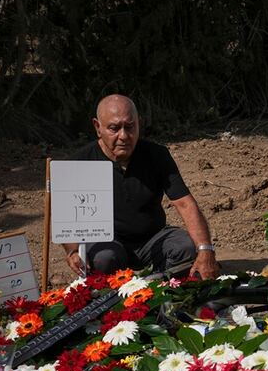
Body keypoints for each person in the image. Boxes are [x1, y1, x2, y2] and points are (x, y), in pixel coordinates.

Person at [61, 94, 218, 279]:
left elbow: (184, 203)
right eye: (114, 128)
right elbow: (67, 218)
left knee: (186, 247)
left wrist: (205, 249)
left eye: (130, 127)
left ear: (139, 124)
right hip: (108, 241)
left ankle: (161, 284)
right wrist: (72, 251)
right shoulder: (80, 162)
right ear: (97, 127)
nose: (124, 136)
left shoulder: (157, 155)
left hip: (154, 237)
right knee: (103, 259)